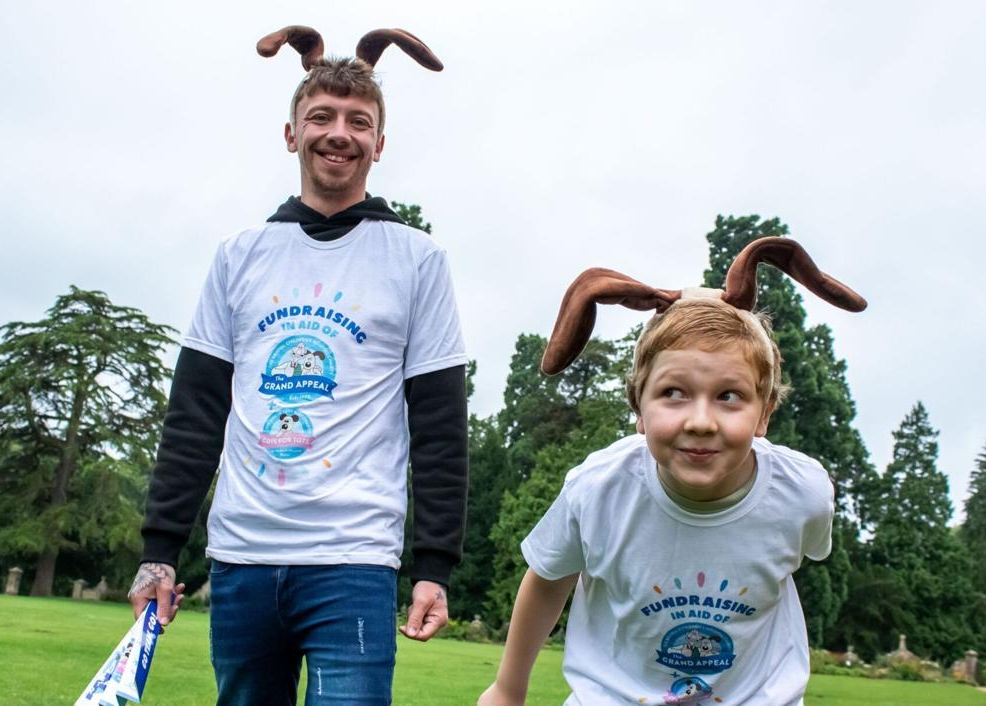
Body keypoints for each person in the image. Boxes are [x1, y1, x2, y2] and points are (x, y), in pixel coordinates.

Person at [127, 26, 468, 706]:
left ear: (379, 142)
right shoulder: (239, 255)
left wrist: (434, 566)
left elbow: (440, 427)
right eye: (322, 117)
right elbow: (195, 412)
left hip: (353, 558)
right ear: (292, 133)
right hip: (243, 557)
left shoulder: (418, 260)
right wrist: (160, 546)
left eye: (358, 121)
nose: (339, 133)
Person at [479, 239, 866, 705]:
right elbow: (548, 579)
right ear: (638, 407)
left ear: (764, 414)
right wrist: (507, 688)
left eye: (729, 396)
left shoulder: (802, 494)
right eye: (674, 393)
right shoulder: (598, 489)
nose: (700, 421)